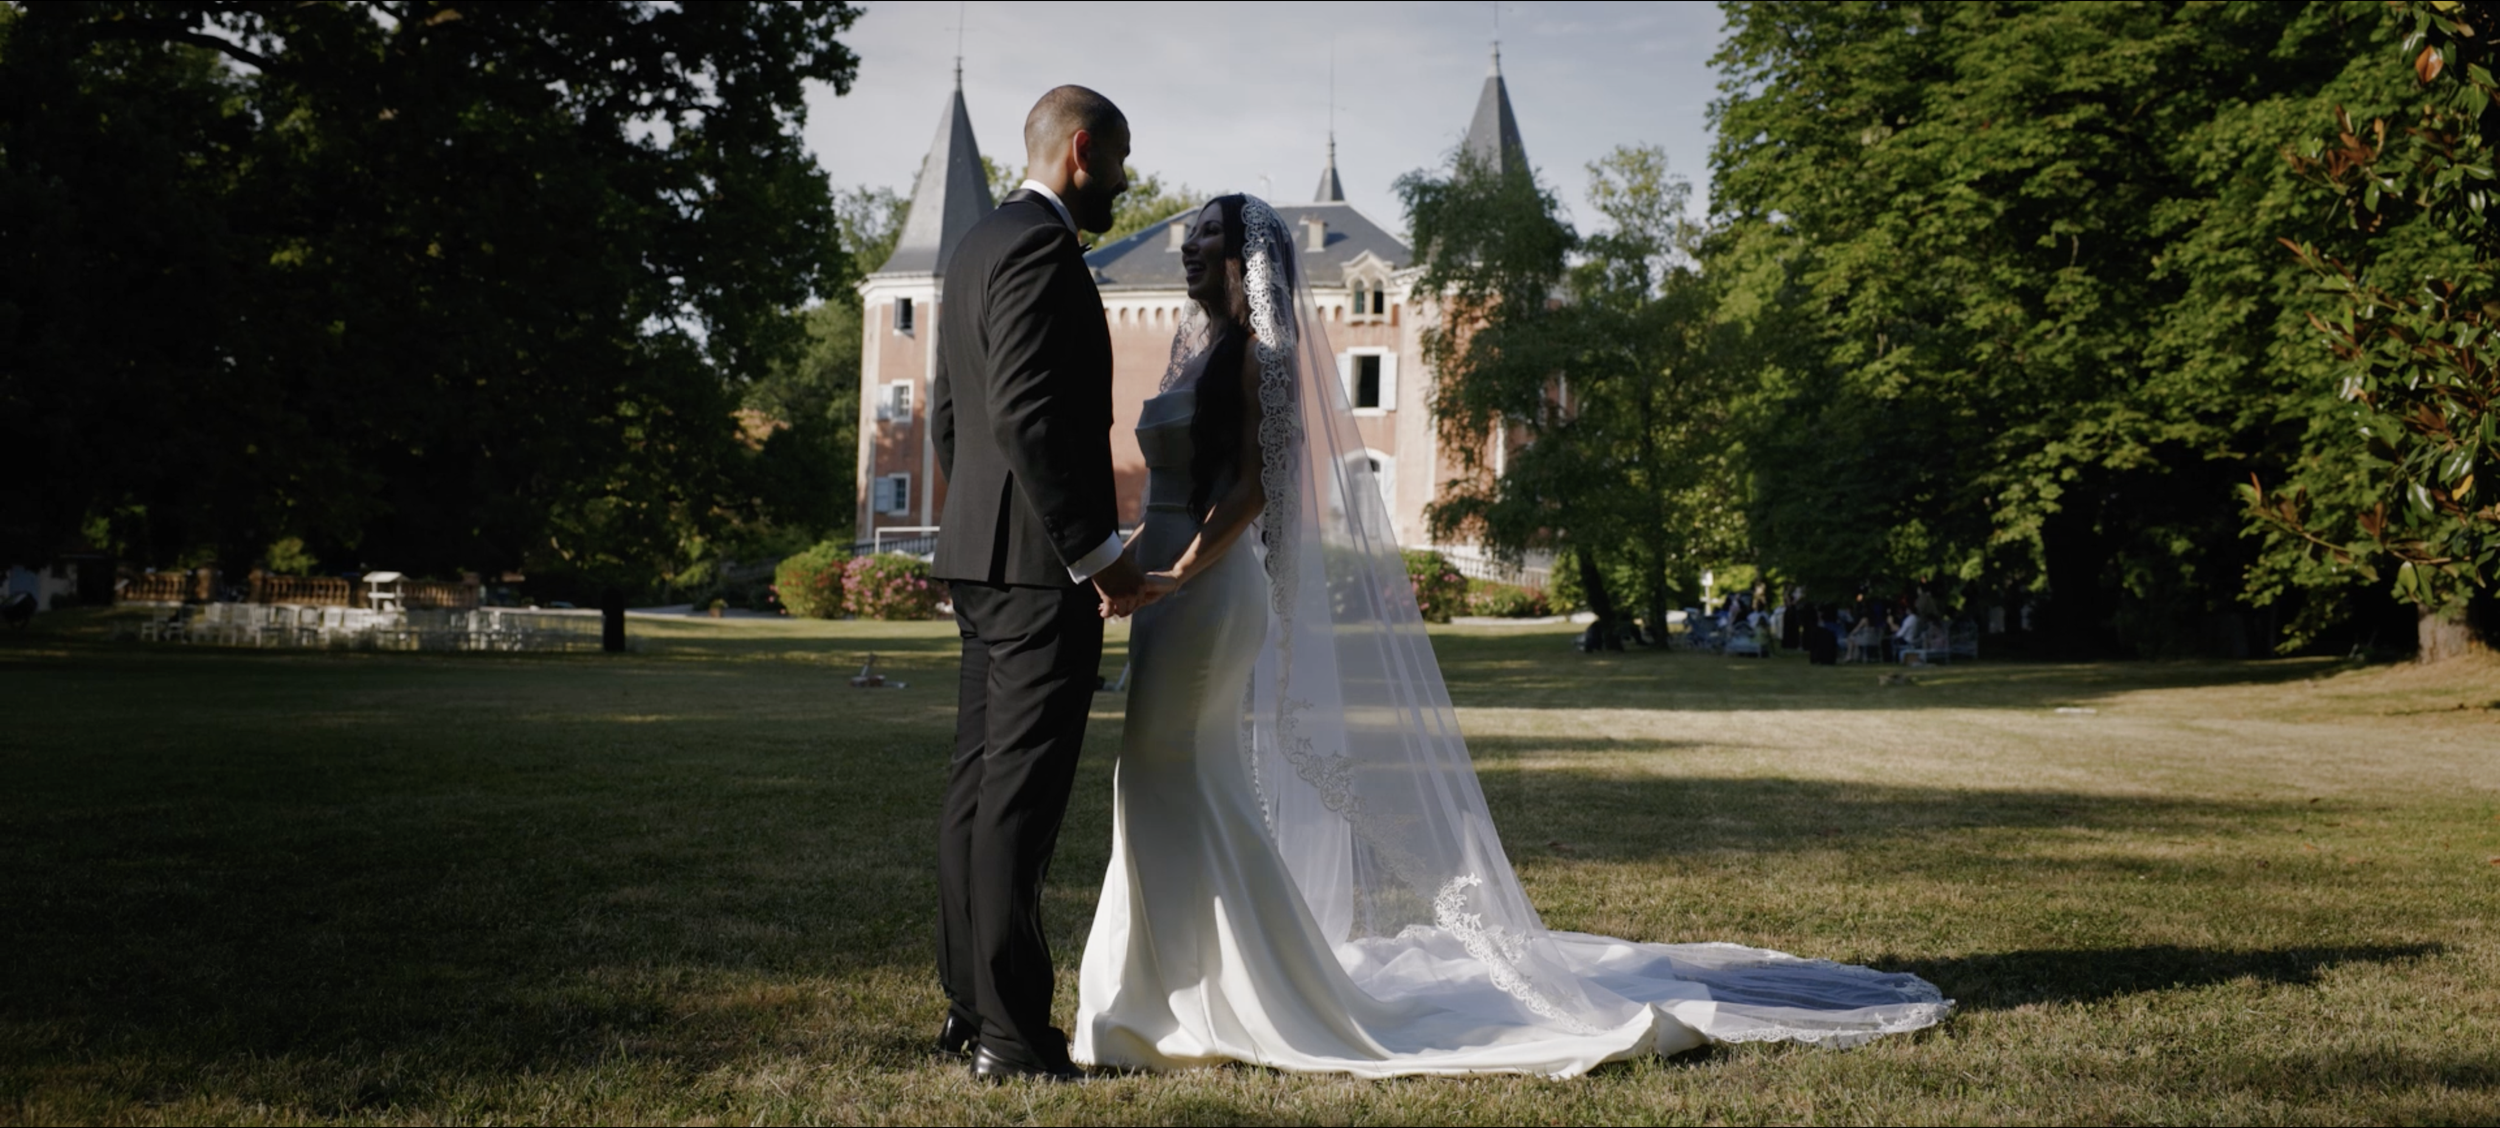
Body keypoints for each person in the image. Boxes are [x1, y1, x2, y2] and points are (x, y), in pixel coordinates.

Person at [1071, 195, 1948, 1079]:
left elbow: (1258, 484)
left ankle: (1206, 994)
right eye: (1189, 235)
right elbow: (1166, 491)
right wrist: (1126, 572)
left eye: (1207, 236)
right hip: (1164, 586)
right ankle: (1186, 986)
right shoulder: (1195, 346)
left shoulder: (1261, 354)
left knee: (1167, 769)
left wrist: (1181, 569)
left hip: (1209, 589)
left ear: (1248, 258)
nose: (1189, 248)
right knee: (1172, 776)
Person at [926, 85, 1154, 1084]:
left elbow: (951, 417)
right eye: (1120, 161)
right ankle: (1013, 1040)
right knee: (1015, 807)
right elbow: (1024, 414)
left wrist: (979, 520)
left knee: (977, 793)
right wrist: (1096, 553)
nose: (1124, 182)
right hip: (1034, 572)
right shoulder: (1041, 250)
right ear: (1082, 149)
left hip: (984, 561)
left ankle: (971, 1012)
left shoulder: (975, 245)